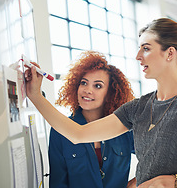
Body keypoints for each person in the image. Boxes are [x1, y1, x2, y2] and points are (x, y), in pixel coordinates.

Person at [25, 18, 177, 187]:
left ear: (169, 53)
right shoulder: (138, 107)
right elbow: (78, 134)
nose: (138, 56)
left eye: (146, 48)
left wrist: (170, 182)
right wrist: (35, 96)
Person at [48, 51, 136, 188]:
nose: (87, 90)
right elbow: (58, 183)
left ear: (110, 93)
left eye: (98, 85)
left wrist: (136, 183)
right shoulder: (60, 131)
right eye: (84, 83)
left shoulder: (124, 129)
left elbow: (155, 158)